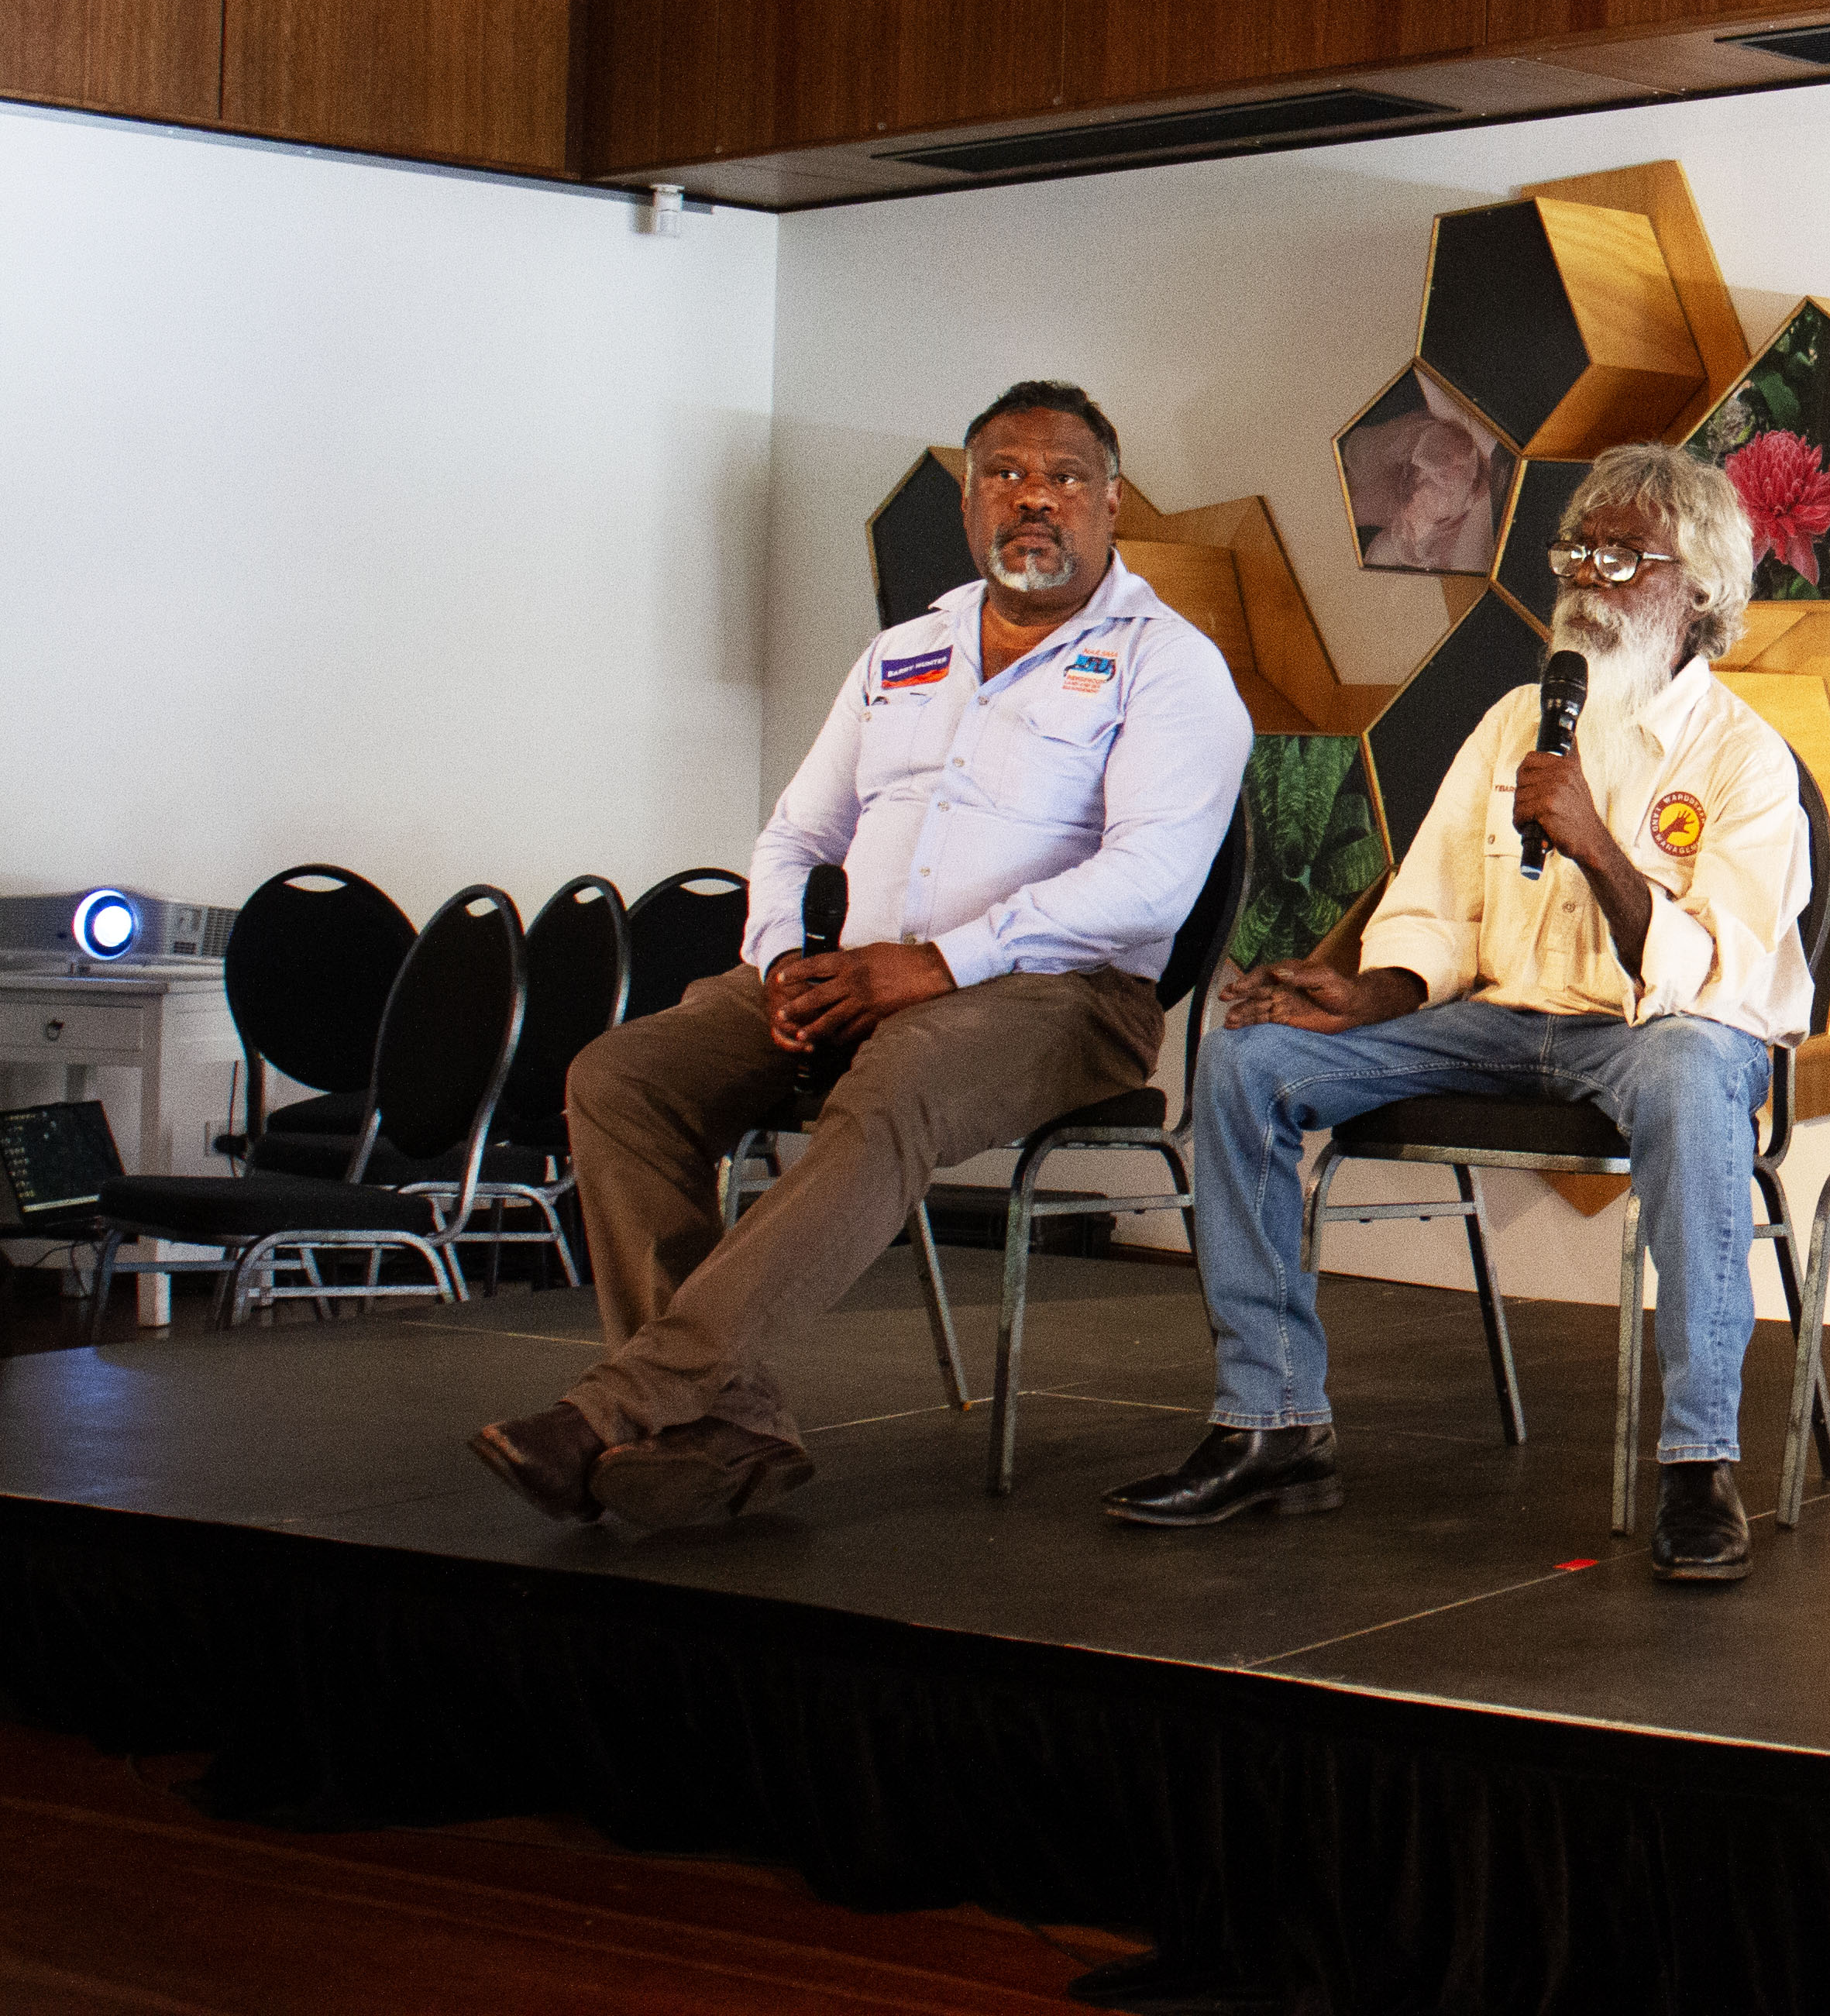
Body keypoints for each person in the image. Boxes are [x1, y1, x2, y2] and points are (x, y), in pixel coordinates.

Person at [471, 383, 1250, 1530]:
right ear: (971, 499)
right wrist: (784, 956)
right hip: (867, 976)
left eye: (1064, 478)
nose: (1032, 500)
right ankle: (726, 1424)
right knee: (621, 1077)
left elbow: (1151, 883)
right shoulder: (905, 651)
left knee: (900, 1077)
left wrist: (937, 966)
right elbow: (795, 835)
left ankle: (625, 1405)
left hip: (1066, 998)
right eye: (1004, 476)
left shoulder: (1168, 666)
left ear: (1112, 502)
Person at [1103, 440, 1812, 1583]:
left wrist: (1597, 847)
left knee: (1690, 1074)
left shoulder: (1745, 761)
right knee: (1250, 1064)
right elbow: (1434, 913)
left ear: (1704, 590)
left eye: (1624, 554)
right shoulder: (1515, 721)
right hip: (1501, 1020)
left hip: (1654, 1036)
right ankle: (1273, 1421)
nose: (1587, 574)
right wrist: (1366, 991)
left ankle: (1697, 1464)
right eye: (1577, 549)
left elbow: (1714, 978)